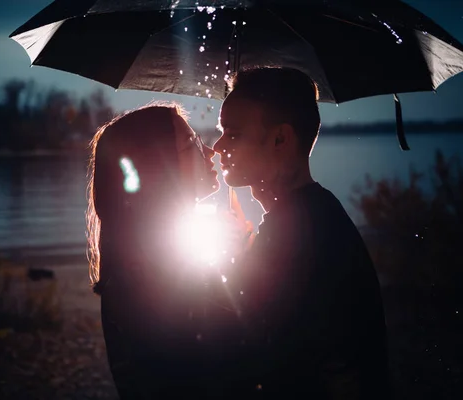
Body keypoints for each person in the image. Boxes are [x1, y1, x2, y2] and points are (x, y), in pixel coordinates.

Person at [213, 67, 392, 399]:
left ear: (281, 138)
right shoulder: (313, 213)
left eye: (233, 133)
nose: (217, 146)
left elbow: (237, 347)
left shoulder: (295, 231)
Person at [86, 102, 229, 399]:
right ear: (158, 168)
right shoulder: (155, 272)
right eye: (192, 143)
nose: (210, 151)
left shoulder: (150, 255)